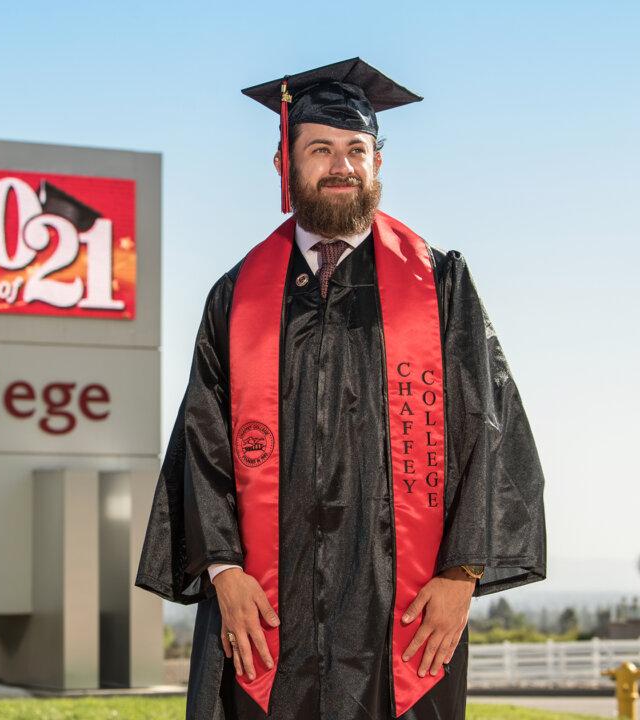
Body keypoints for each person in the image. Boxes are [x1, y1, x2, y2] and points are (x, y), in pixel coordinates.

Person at [134, 57, 547, 720]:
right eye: (320, 148)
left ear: (377, 164)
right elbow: (202, 441)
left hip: (399, 607)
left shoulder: (439, 287)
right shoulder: (237, 296)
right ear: (284, 165)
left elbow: (491, 430)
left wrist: (460, 574)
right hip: (266, 609)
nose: (340, 165)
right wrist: (223, 571)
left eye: (357, 150)